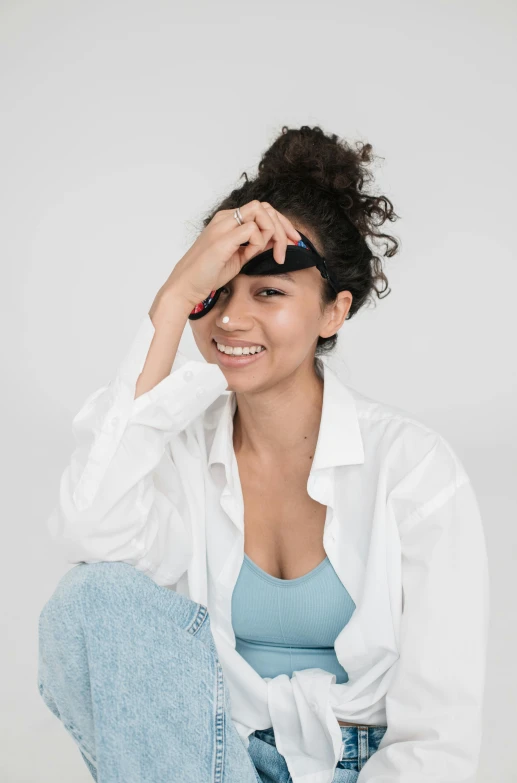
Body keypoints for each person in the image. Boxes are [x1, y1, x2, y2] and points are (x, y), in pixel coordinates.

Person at [37, 125, 489, 783]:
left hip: (360, 768)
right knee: (91, 596)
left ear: (333, 312)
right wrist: (170, 300)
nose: (229, 319)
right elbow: (89, 526)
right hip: (212, 761)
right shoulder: (181, 449)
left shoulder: (414, 470)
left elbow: (439, 738)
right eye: (214, 291)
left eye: (268, 291)